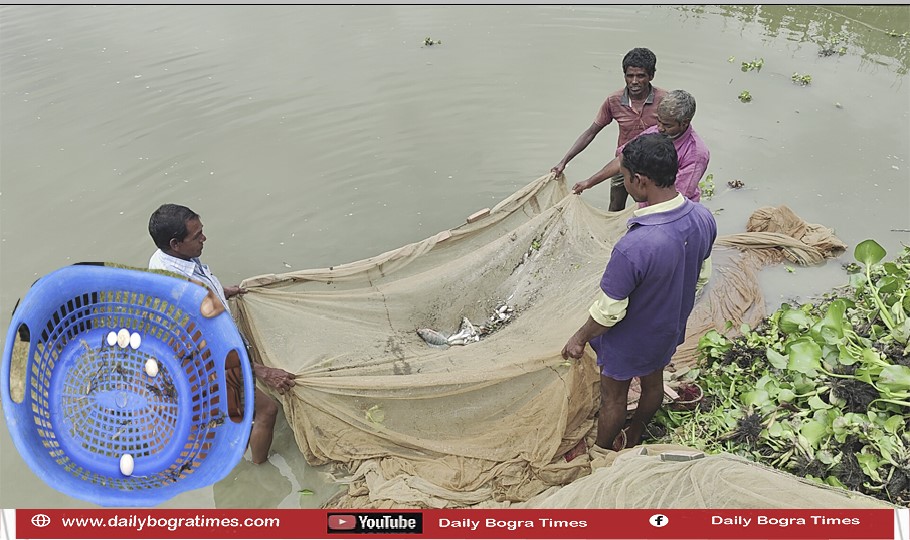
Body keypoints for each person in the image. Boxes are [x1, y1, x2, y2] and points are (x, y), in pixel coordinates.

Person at [561, 133, 716, 451]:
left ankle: (603, 450)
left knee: (613, 398)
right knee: (653, 381)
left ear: (639, 181)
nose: (624, 181)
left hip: (630, 340)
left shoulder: (634, 246)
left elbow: (609, 313)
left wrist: (578, 338)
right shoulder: (703, 218)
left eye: (624, 175)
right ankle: (635, 435)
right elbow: (701, 278)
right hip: (669, 329)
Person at [148, 203, 297, 464]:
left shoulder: (165, 258)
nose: (204, 238)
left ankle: (230, 467)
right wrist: (262, 372)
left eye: (201, 231)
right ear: (176, 243)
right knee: (267, 411)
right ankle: (259, 470)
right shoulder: (180, 291)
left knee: (233, 417)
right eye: (197, 236)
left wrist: (220, 292)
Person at [551, 47, 667, 211]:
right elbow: (591, 132)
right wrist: (564, 161)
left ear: (651, 76)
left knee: (652, 209)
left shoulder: (665, 101)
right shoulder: (614, 101)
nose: (634, 81)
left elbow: (676, 135)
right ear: (624, 76)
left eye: (640, 76)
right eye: (630, 75)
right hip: (623, 162)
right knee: (615, 206)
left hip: (655, 165)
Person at [572, 89, 710, 210]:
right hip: (648, 206)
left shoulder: (696, 153)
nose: (660, 128)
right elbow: (622, 160)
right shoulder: (653, 133)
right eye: (659, 121)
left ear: (684, 122)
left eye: (667, 125)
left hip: (675, 214)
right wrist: (589, 182)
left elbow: (676, 200)